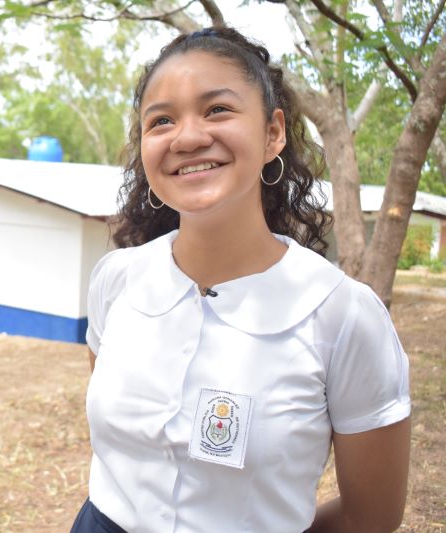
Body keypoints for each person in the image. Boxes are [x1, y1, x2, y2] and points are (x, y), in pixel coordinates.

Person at [71, 27, 411, 533]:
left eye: (217, 110)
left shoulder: (343, 315)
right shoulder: (117, 281)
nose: (187, 138)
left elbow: (370, 517)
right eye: (160, 120)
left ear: (273, 133)